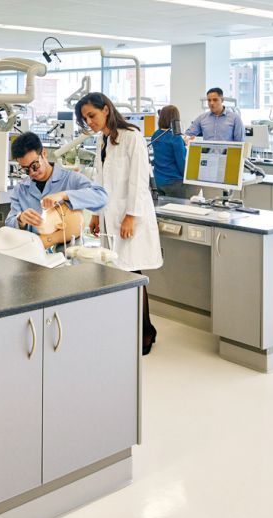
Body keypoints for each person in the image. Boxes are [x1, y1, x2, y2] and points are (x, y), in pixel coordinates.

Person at [76, 92, 163, 355]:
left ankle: (145, 332)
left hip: (129, 217)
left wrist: (130, 217)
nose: (89, 122)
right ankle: (131, 327)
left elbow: (138, 181)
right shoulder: (103, 140)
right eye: (84, 119)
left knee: (132, 273)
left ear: (106, 109)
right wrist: (95, 213)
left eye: (91, 115)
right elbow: (100, 182)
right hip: (108, 216)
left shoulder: (132, 137)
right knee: (117, 273)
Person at [5, 132, 107, 248]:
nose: (32, 172)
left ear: (44, 153)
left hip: (66, 253)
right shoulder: (20, 190)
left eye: (35, 165)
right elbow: (9, 225)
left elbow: (101, 196)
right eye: (26, 170)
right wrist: (20, 219)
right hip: (33, 252)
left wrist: (64, 195)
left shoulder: (70, 179)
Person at [149, 105, 188, 197]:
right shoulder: (176, 138)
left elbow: (159, 157)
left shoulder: (155, 135)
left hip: (158, 181)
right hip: (174, 183)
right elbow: (181, 162)